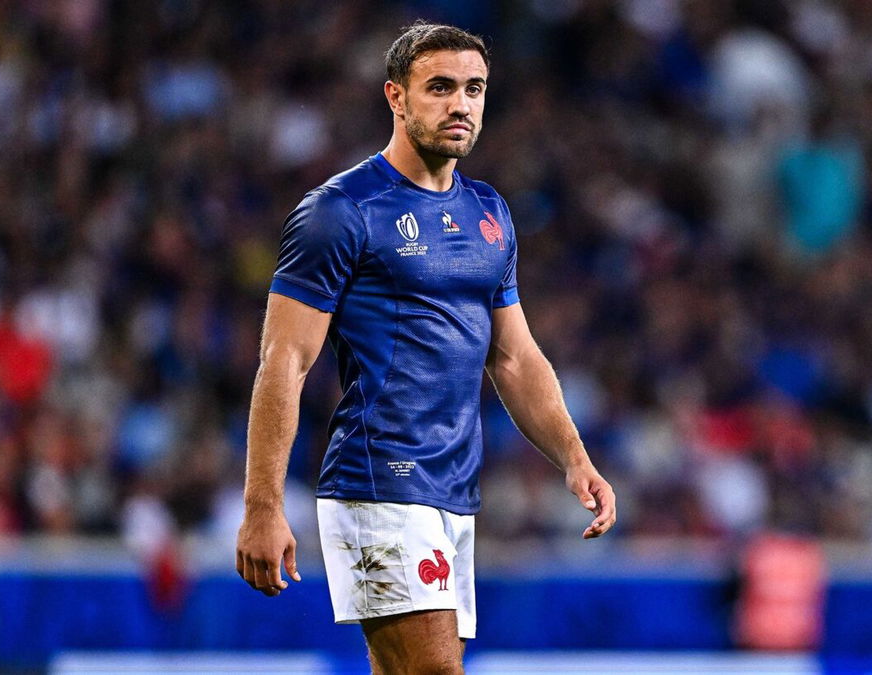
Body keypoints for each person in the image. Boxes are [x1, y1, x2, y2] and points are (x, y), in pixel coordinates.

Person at [236, 21, 616, 674]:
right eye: (439, 87)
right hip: (379, 482)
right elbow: (284, 362)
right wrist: (263, 505)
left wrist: (574, 456)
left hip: (453, 491)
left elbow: (515, 356)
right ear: (396, 97)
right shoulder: (341, 211)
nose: (460, 104)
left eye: (474, 89)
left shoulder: (490, 212)